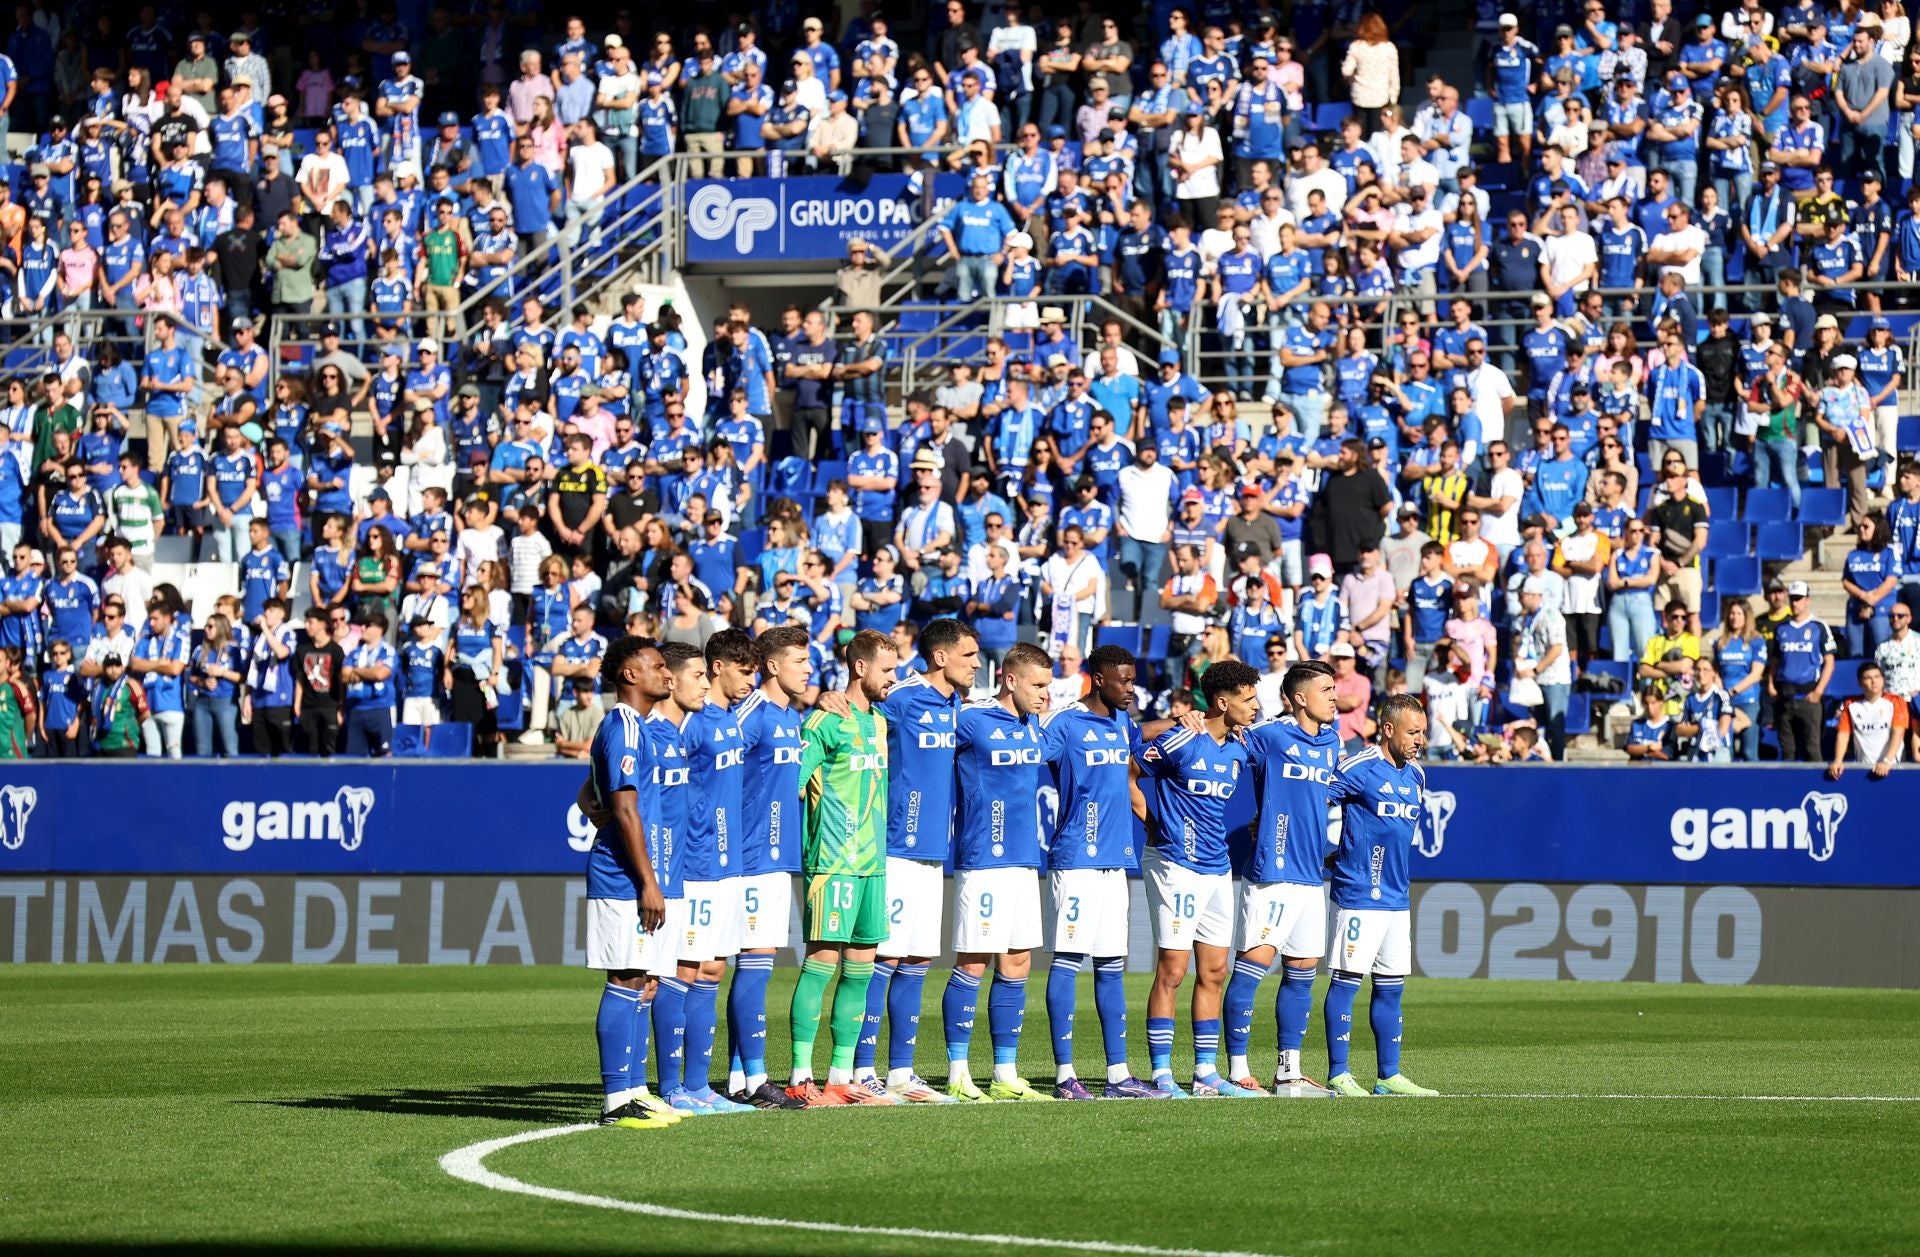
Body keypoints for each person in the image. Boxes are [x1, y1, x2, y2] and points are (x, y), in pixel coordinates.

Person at [840, 618, 980, 1103]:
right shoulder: (900, 697)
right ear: (940, 657)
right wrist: (828, 699)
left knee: (919, 959)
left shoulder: (955, 704)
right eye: (969, 655)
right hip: (896, 850)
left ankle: (901, 1072)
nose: (977, 663)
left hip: (933, 855)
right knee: (884, 957)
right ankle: (860, 1071)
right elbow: (853, 711)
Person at [1135, 658, 1264, 1099]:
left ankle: (1206, 1073)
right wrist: (1152, 823)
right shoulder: (1182, 738)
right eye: (1248, 699)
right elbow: (1128, 771)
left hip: (1216, 866)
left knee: (1215, 970)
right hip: (1174, 864)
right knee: (1173, 969)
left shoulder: (1240, 746)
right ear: (1222, 702)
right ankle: (1161, 1073)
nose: (1256, 706)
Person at [1038, 644, 1158, 1100]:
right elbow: (1030, 744)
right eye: (1124, 680)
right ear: (1099, 678)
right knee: (1068, 961)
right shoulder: (1065, 723)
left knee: (1111, 966)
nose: (1131, 688)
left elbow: (1138, 740)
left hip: (1115, 862)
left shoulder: (1121, 723)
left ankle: (1117, 1075)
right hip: (1076, 860)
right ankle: (1065, 1074)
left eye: (1133, 680)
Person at [786, 629, 900, 1107]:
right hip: (833, 862)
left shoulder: (879, 722)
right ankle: (799, 1076)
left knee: (862, 967)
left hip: (873, 863)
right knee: (823, 962)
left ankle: (840, 1077)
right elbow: (790, 781)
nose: (893, 678)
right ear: (860, 667)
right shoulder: (823, 722)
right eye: (887, 670)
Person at [938, 640, 1056, 1103]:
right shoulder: (970, 718)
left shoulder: (1034, 728)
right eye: (1038, 685)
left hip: (1026, 862)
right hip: (983, 859)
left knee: (1018, 962)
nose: (1046, 695)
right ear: (1009, 679)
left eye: (1049, 686)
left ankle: (1004, 1073)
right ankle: (957, 1072)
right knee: (973, 961)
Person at [580, 634, 684, 1131]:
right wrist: (647, 882)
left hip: (639, 874)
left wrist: (589, 804)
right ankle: (615, 1099)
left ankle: (635, 1091)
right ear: (630, 674)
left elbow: (591, 791)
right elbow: (623, 808)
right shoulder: (622, 724)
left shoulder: (637, 728)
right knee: (624, 978)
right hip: (623, 877)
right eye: (658, 666)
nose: (668, 674)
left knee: (641, 981)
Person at [1229, 660, 1342, 1097]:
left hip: (1312, 878)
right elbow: (1226, 742)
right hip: (1272, 874)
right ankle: (1238, 1071)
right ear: (1299, 698)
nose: (1335, 696)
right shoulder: (1269, 736)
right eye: (1326, 689)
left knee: (1301, 973)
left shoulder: (1333, 741)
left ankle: (1287, 1072)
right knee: (1252, 969)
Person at [658, 632, 756, 1116]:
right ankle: (671, 1086)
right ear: (717, 669)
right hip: (695, 864)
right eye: (742, 669)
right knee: (684, 969)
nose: (750, 678)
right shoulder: (690, 724)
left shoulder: (730, 719)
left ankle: (698, 1086)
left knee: (713, 969)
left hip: (728, 866)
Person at [1322, 694, 1436, 1097]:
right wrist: (1327, 851)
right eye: (1413, 731)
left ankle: (1389, 1075)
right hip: (1359, 894)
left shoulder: (1417, 776)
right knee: (1347, 981)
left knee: (1391, 986)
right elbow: (1312, 799)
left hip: (1397, 898)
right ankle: (1339, 1072)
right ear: (1388, 729)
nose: (1420, 739)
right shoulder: (1359, 766)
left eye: (1422, 731)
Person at [723, 627, 812, 1110]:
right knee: (751, 968)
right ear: (772, 666)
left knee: (758, 966)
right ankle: (754, 1078)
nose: (807, 668)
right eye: (799, 660)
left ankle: (741, 1076)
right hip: (749, 859)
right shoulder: (750, 715)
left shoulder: (791, 718)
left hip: (778, 859)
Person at [1769, 580, 1837, 763]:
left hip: (1809, 695)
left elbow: (1829, 662)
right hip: (1785, 696)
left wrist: (1818, 691)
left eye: (1799, 599)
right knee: (1787, 749)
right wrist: (1771, 684)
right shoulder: (1781, 628)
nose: (1795, 603)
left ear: (1807, 600)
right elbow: (1775, 661)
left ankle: (1816, 789)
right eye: (1792, 599)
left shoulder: (1818, 626)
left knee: (1812, 748)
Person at [1829, 662, 1909, 780]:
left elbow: (1898, 732)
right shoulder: (1851, 704)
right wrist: (1838, 760)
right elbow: (1843, 734)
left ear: (1882, 679)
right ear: (1860, 682)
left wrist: (1887, 761)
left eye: (1877, 677)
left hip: (1892, 766)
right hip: (1864, 768)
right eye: (1868, 678)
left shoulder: (1896, 701)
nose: (1874, 681)